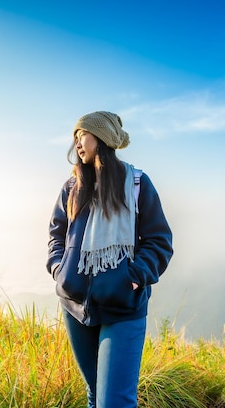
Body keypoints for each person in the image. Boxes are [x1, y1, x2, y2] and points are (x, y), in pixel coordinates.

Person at [46, 111, 173, 408]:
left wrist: (132, 277)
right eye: (75, 138)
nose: (78, 144)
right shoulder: (71, 187)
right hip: (75, 307)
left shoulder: (137, 184)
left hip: (122, 307)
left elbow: (159, 242)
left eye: (83, 136)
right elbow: (56, 234)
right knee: (94, 393)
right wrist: (59, 270)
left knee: (114, 402)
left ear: (101, 138)